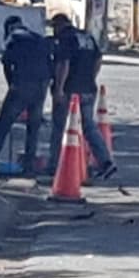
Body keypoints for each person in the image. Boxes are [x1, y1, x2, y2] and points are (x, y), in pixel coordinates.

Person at [0, 15, 54, 175]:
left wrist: (12, 84)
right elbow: (50, 63)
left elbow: (6, 64)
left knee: (3, 125)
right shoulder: (38, 38)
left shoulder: (13, 38)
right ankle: (29, 167)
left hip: (22, 84)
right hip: (41, 84)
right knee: (34, 126)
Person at [46, 13, 116, 180]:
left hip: (70, 90)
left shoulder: (66, 38)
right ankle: (106, 162)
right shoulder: (87, 37)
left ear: (58, 25)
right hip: (88, 89)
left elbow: (64, 64)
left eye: (54, 27)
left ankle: (55, 166)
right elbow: (99, 58)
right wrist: (91, 77)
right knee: (89, 127)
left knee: (60, 127)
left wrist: (59, 89)